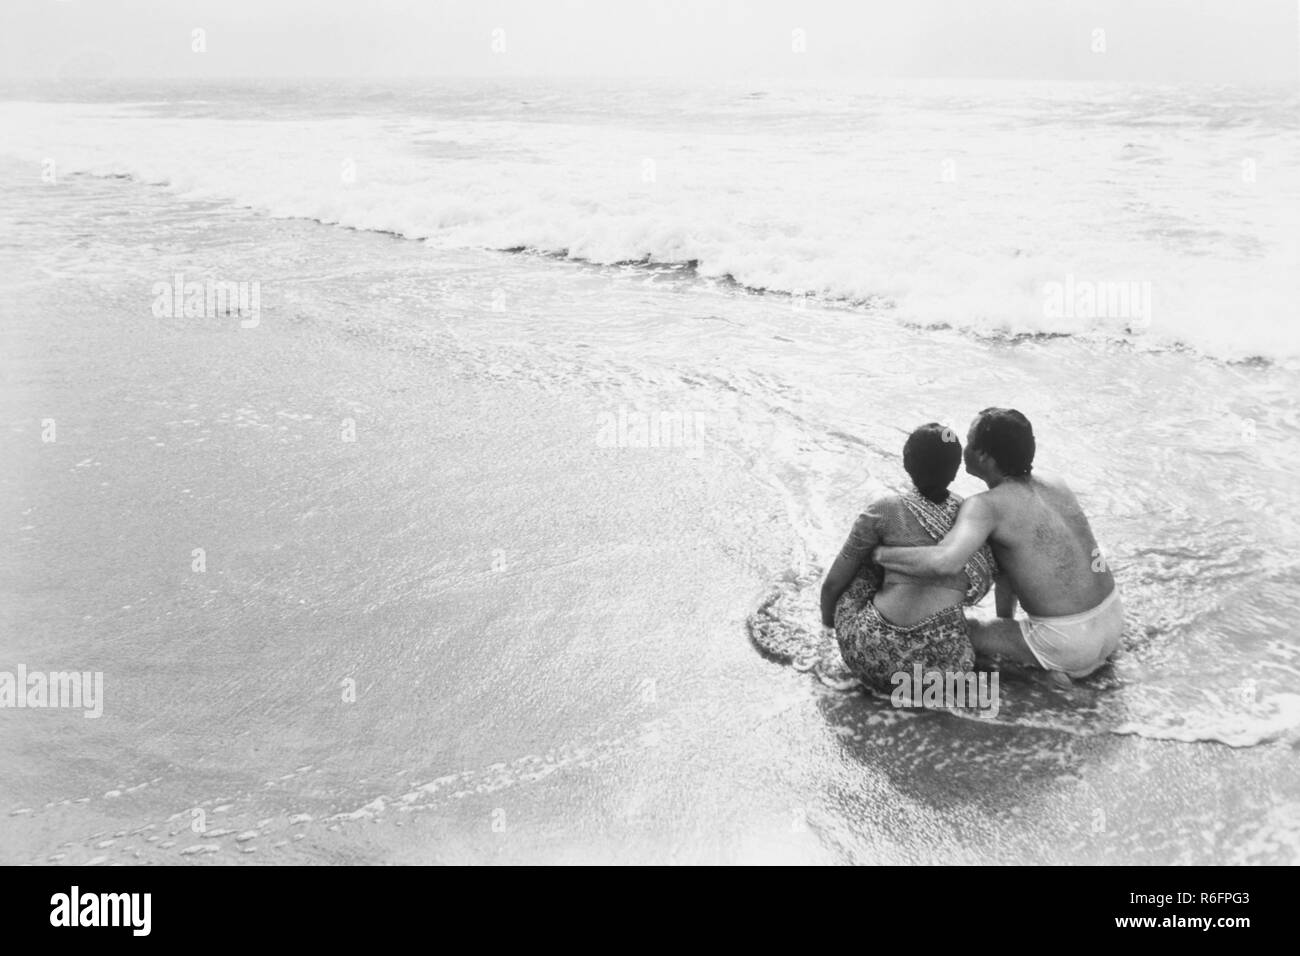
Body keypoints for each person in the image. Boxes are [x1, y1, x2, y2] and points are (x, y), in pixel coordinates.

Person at [874, 408, 1122, 680]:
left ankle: (1045, 674)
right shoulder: (1055, 483)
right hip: (1112, 618)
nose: (964, 448)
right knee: (1005, 603)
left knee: (955, 631)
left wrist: (880, 554)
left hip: (1068, 641)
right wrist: (1007, 624)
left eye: (969, 442)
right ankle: (1038, 654)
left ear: (983, 456)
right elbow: (1013, 567)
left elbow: (945, 561)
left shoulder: (985, 506)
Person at [820, 423, 996, 690]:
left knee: (866, 558)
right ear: (956, 467)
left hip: (870, 656)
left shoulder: (884, 510)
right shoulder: (974, 517)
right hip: (944, 672)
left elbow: (833, 585)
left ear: (906, 462)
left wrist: (826, 627)